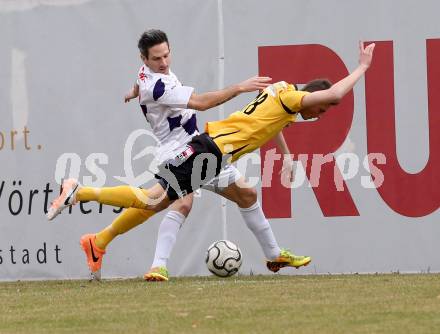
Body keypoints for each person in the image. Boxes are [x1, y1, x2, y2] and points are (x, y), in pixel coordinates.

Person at [47, 40, 374, 278]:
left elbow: (275, 123)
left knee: (246, 194)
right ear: (310, 98)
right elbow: (333, 95)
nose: (318, 115)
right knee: (154, 199)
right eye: (320, 111)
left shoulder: (282, 93)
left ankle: (274, 256)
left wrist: (286, 158)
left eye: (166, 53)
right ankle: (80, 192)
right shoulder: (292, 97)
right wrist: (361, 67)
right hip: (206, 149)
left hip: (215, 152)